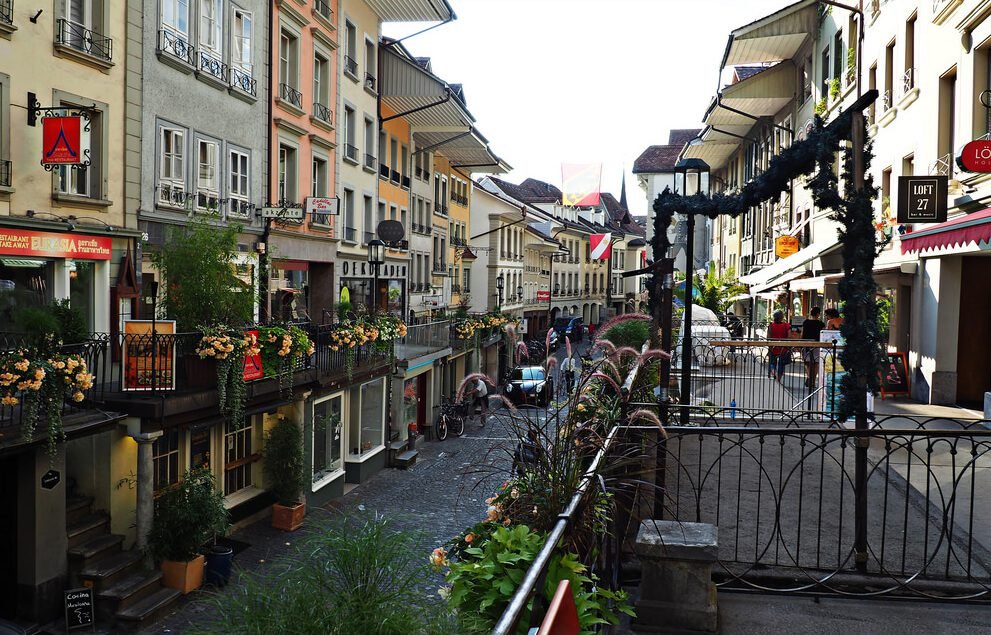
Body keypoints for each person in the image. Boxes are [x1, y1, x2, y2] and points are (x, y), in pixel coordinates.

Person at [801, 307, 825, 389]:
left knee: (807, 363)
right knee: (816, 364)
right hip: (817, 345)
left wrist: (800, 343)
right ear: (818, 314)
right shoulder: (821, 324)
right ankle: (813, 382)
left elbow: (802, 333)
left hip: (807, 344)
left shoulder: (806, 322)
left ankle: (809, 377)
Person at [767, 310, 791, 382]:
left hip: (773, 347)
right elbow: (789, 337)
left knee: (772, 363)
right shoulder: (786, 326)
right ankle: (778, 379)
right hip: (783, 348)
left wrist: (769, 348)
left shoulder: (771, 326)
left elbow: (768, 337)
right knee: (781, 364)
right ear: (782, 317)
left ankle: (774, 373)